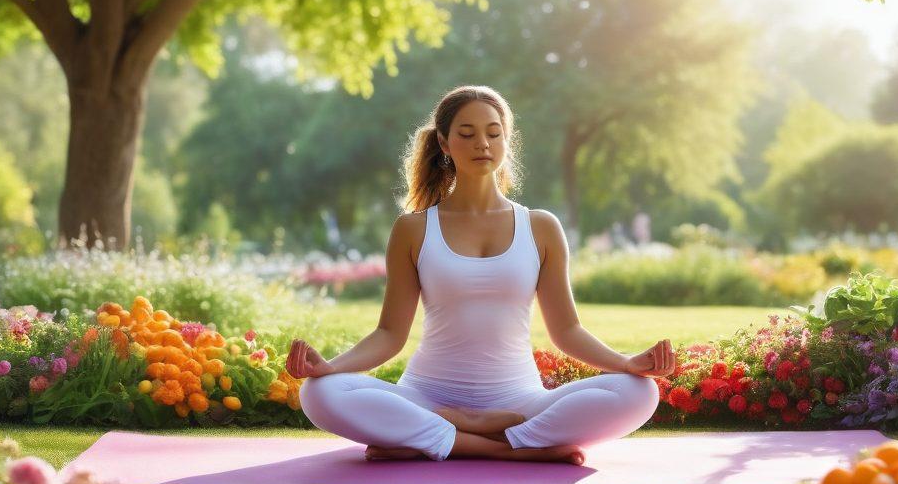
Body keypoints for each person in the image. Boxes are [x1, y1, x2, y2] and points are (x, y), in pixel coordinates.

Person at [289, 85, 676, 464]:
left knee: (639, 393)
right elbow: (390, 334)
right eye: (467, 134)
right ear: (444, 143)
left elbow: (567, 331)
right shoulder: (414, 228)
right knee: (320, 393)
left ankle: (437, 437)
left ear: (506, 141)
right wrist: (330, 368)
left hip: (520, 401)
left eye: (494, 133)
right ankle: (508, 445)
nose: (482, 144)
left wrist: (625, 363)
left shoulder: (541, 227)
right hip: (426, 396)